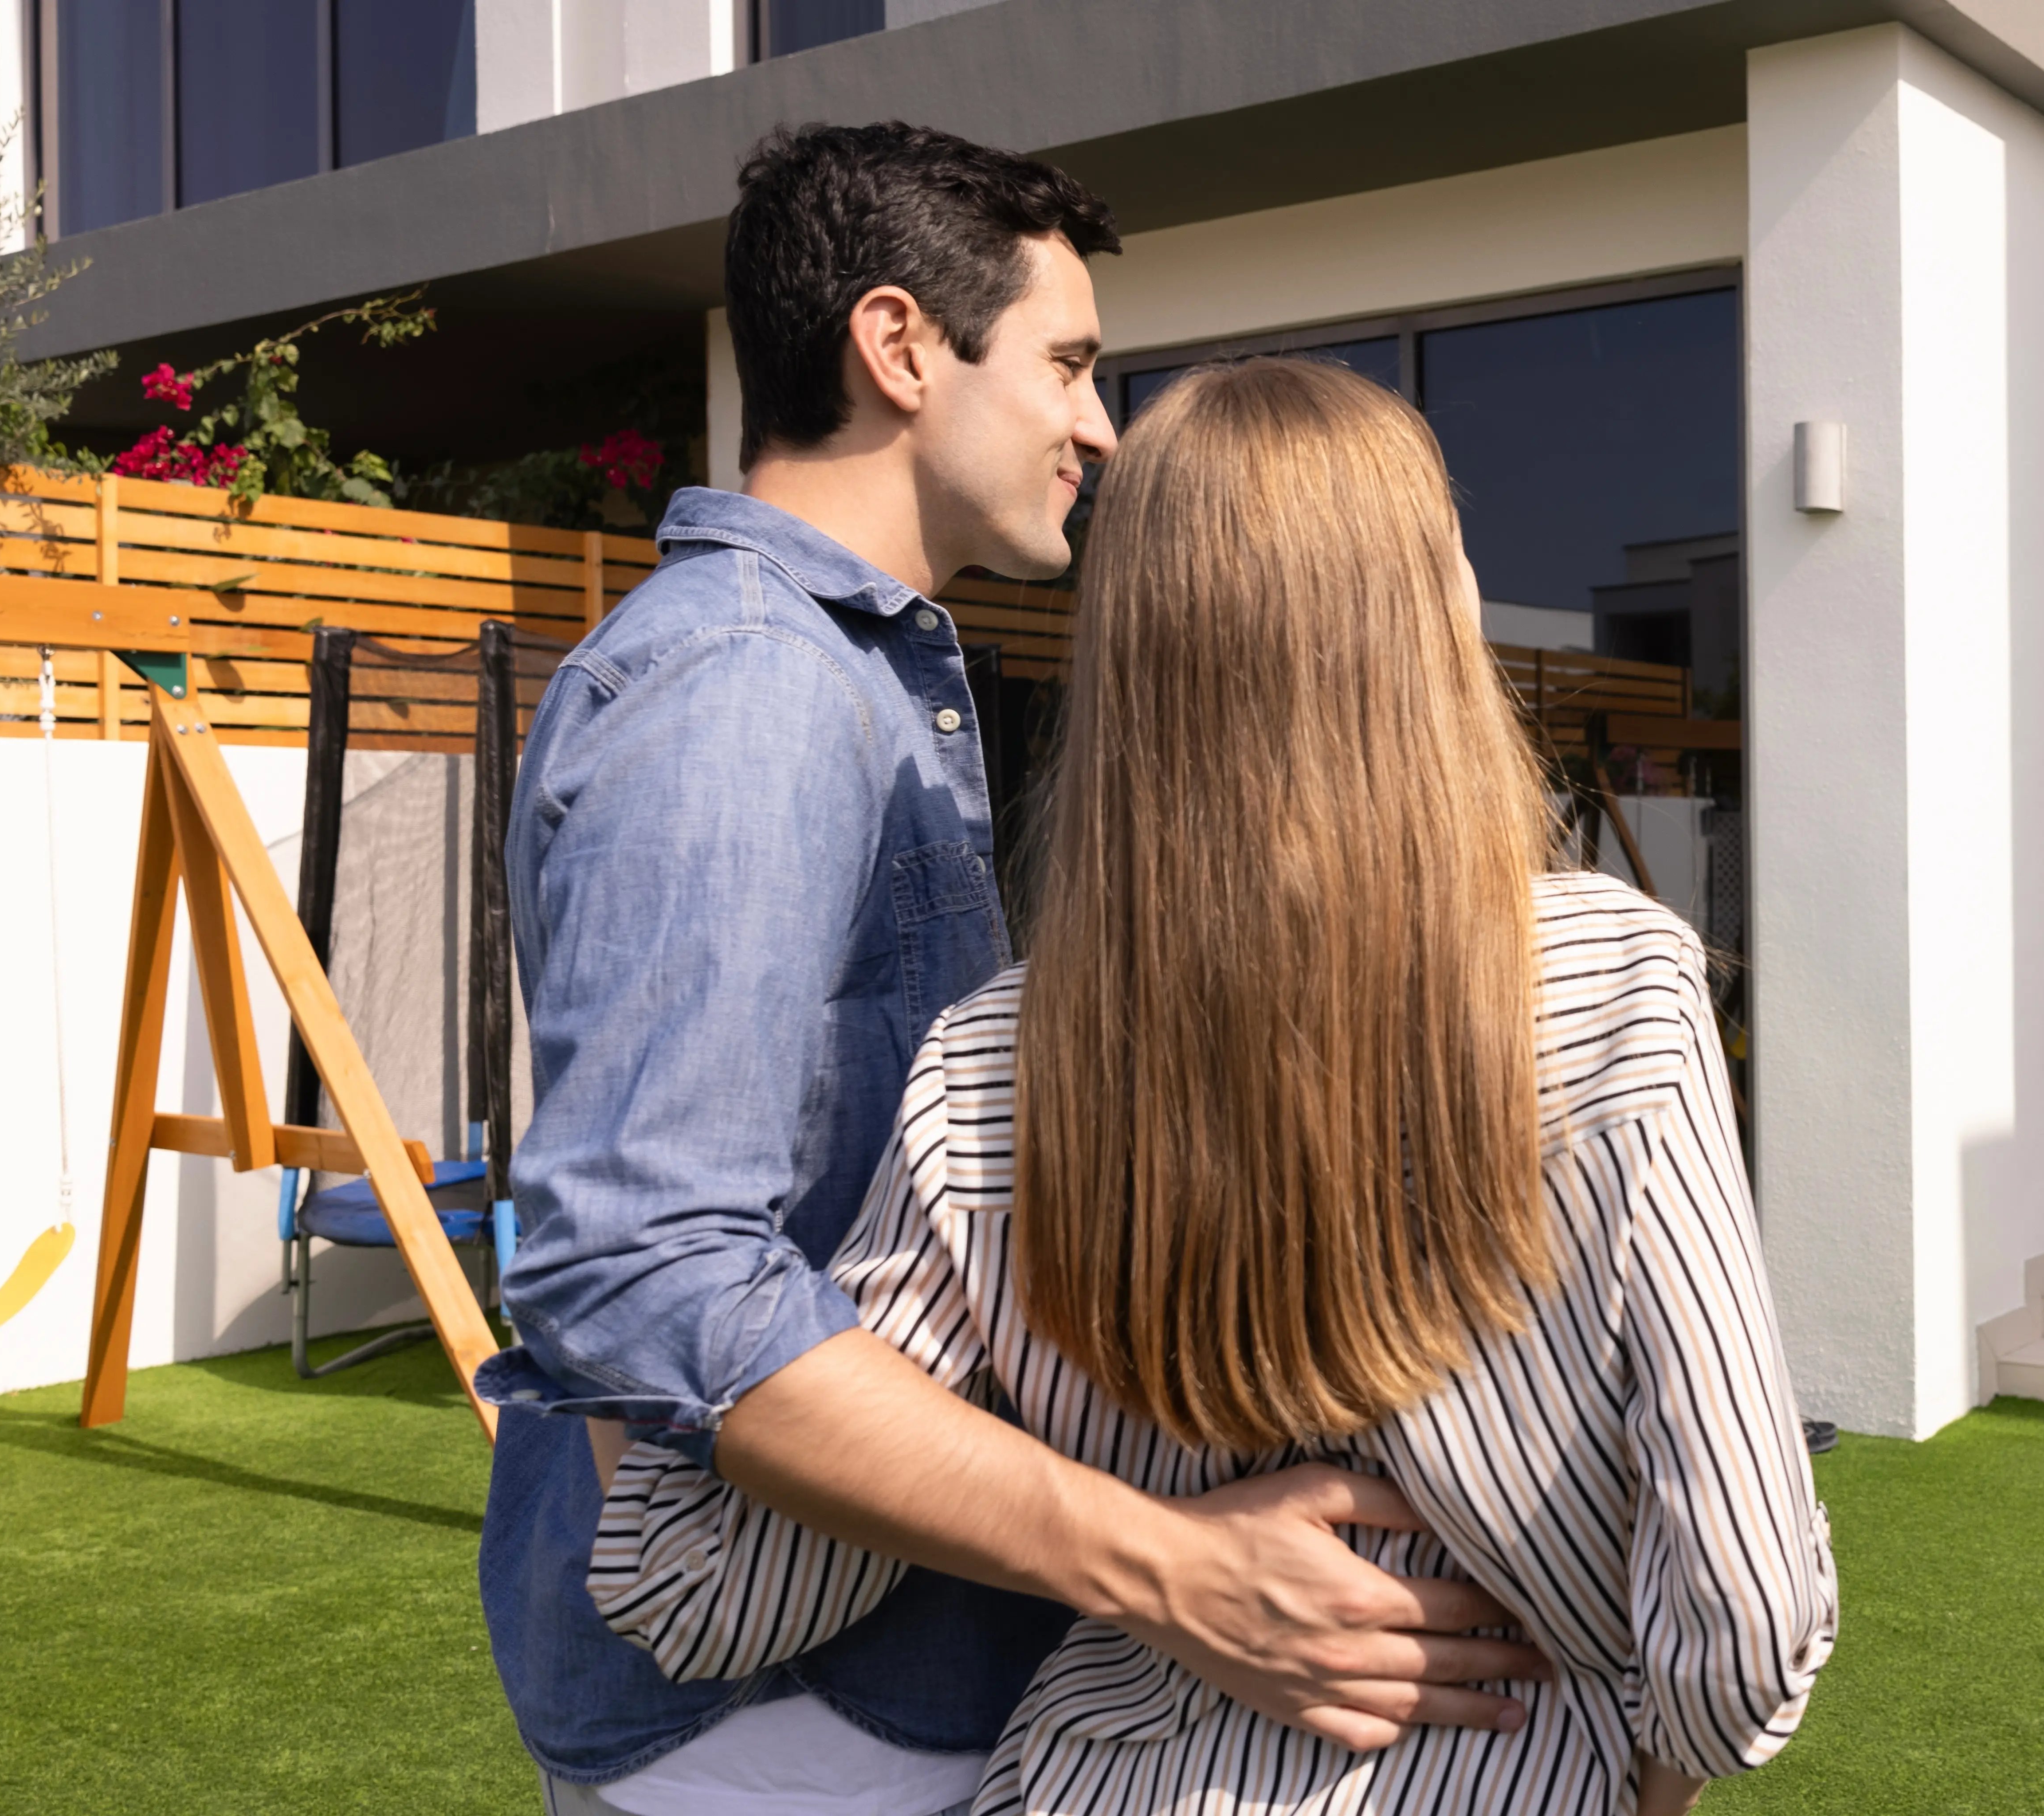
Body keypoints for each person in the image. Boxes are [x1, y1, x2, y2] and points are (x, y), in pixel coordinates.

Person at [581, 357, 1838, 1815]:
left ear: (1127, 649)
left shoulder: (990, 1070)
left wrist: (620, 1255)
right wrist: (1653, 1774)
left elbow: (704, 1585)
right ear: (1434, 615)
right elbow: (1742, 1621)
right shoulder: (1615, 983)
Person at [485, 128, 1547, 1815]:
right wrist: (1165, 1562)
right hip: (780, 1715)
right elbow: (645, 1267)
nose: (1099, 426)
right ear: (901, 348)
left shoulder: (854, 679)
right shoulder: (748, 694)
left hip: (871, 1672)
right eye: (1066, 363)